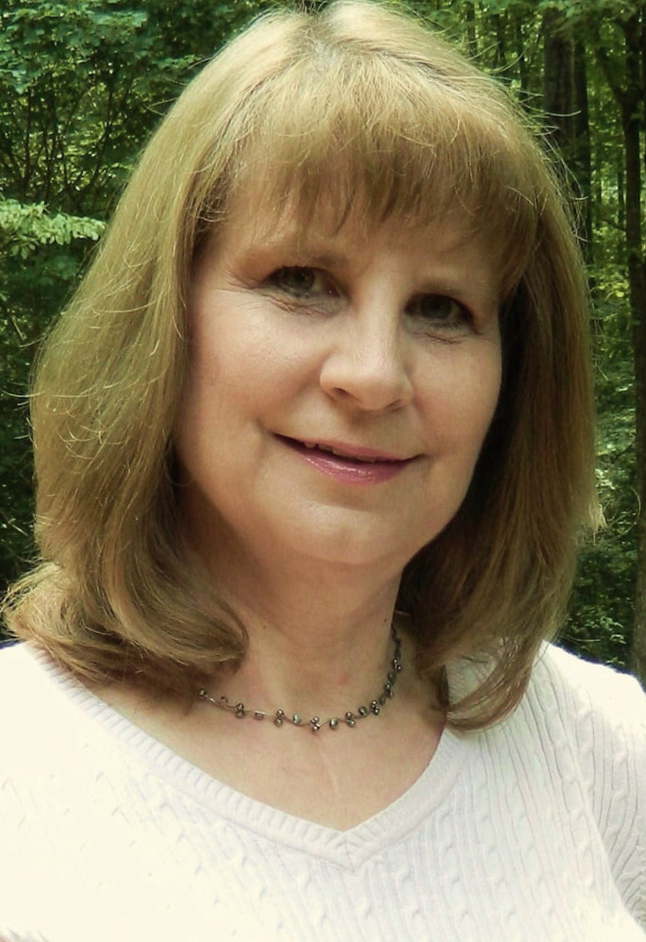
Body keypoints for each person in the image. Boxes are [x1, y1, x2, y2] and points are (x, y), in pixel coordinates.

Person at [1, 1, 644, 939]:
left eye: (442, 308)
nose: (375, 375)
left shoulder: (604, 753)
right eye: (303, 282)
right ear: (164, 324)